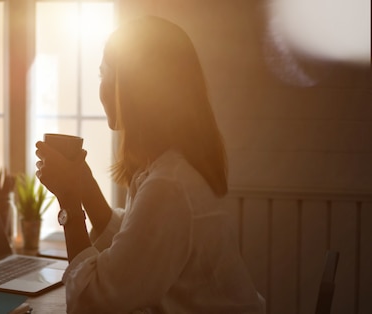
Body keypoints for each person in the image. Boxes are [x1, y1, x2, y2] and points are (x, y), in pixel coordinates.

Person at [34, 16, 266, 313]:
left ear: (133, 88)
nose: (101, 89)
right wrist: (87, 189)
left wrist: (68, 199)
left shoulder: (168, 187)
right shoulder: (169, 167)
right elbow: (134, 249)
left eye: (105, 75)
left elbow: (93, 301)